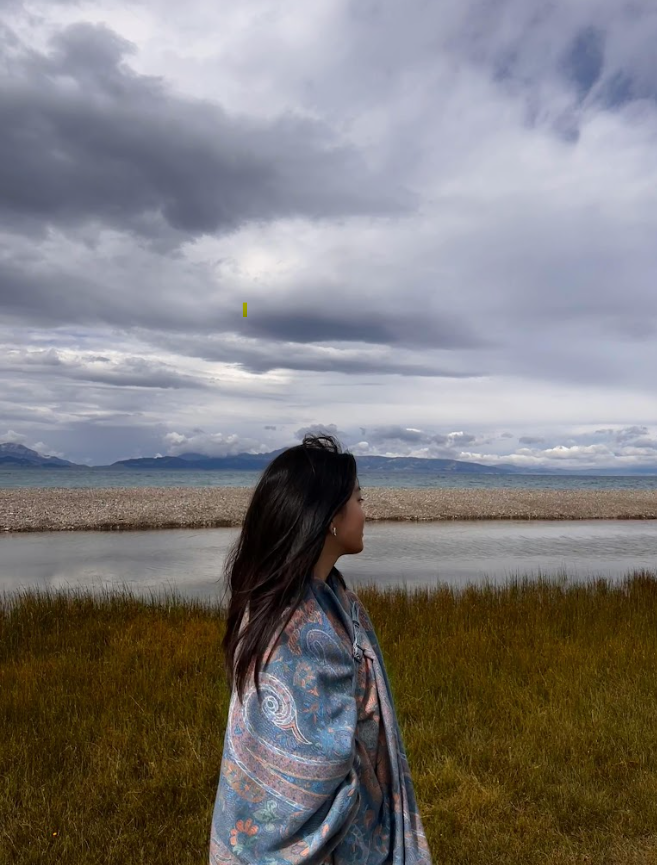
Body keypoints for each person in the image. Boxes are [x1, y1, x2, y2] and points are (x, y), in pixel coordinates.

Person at [209, 434, 433, 864]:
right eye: (358, 500)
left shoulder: (335, 601)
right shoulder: (289, 628)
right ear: (330, 517)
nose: (365, 512)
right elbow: (306, 762)